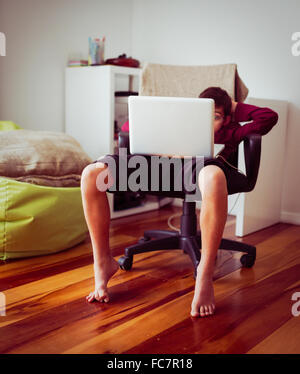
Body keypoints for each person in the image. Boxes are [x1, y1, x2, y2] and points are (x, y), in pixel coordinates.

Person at [80, 87, 278, 318]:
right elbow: (127, 129)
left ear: (226, 119)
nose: (208, 121)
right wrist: (160, 120)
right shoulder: (175, 124)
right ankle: (102, 262)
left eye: (215, 116)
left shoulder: (228, 132)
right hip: (153, 167)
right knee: (91, 174)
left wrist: (233, 107)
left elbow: (268, 117)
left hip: (198, 168)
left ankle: (204, 274)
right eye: (204, 115)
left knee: (214, 178)